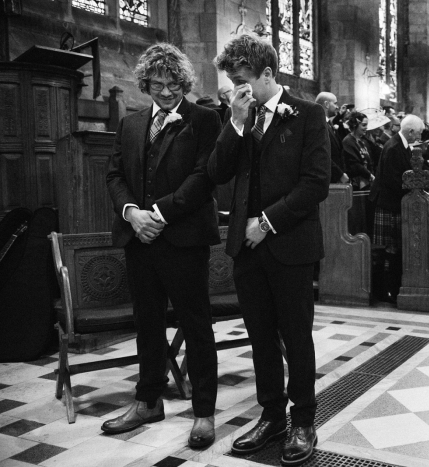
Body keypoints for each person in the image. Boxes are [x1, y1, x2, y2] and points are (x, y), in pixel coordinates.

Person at [208, 34, 330, 466]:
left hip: (290, 245)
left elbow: (316, 183)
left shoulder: (309, 115)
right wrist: (235, 123)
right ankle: (272, 416)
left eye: (242, 80)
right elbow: (217, 173)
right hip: (246, 247)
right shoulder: (238, 116)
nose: (235, 89)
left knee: (296, 337)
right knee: (259, 337)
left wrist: (269, 221)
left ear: (267, 74)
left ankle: (303, 421)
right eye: (230, 82)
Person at [103, 43, 221, 449]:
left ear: (184, 83)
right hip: (139, 239)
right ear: (145, 84)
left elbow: (204, 177)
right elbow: (115, 174)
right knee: (147, 323)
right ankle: (148, 401)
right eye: (158, 85)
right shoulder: (132, 123)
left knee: (196, 325)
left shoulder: (204, 120)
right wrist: (132, 213)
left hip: (183, 239)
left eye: (174, 85)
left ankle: (204, 411)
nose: (167, 92)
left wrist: (158, 214)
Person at [370, 114, 425, 303]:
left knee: (395, 250)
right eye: (418, 133)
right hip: (389, 204)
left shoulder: (403, 145)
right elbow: (393, 180)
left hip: (396, 203)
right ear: (410, 132)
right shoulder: (394, 147)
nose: (419, 137)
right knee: (391, 250)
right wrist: (413, 194)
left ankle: (394, 289)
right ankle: (390, 291)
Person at [315, 92, 349, 184]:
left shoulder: (328, 124)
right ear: (326, 104)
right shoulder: (318, 124)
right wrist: (339, 174)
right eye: (335, 103)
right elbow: (321, 154)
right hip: (327, 179)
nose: (337, 107)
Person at [343, 111, 375, 191]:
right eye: (364, 125)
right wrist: (369, 175)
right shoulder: (348, 141)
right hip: (356, 184)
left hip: (367, 181)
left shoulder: (363, 140)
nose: (366, 128)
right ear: (355, 125)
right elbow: (354, 164)